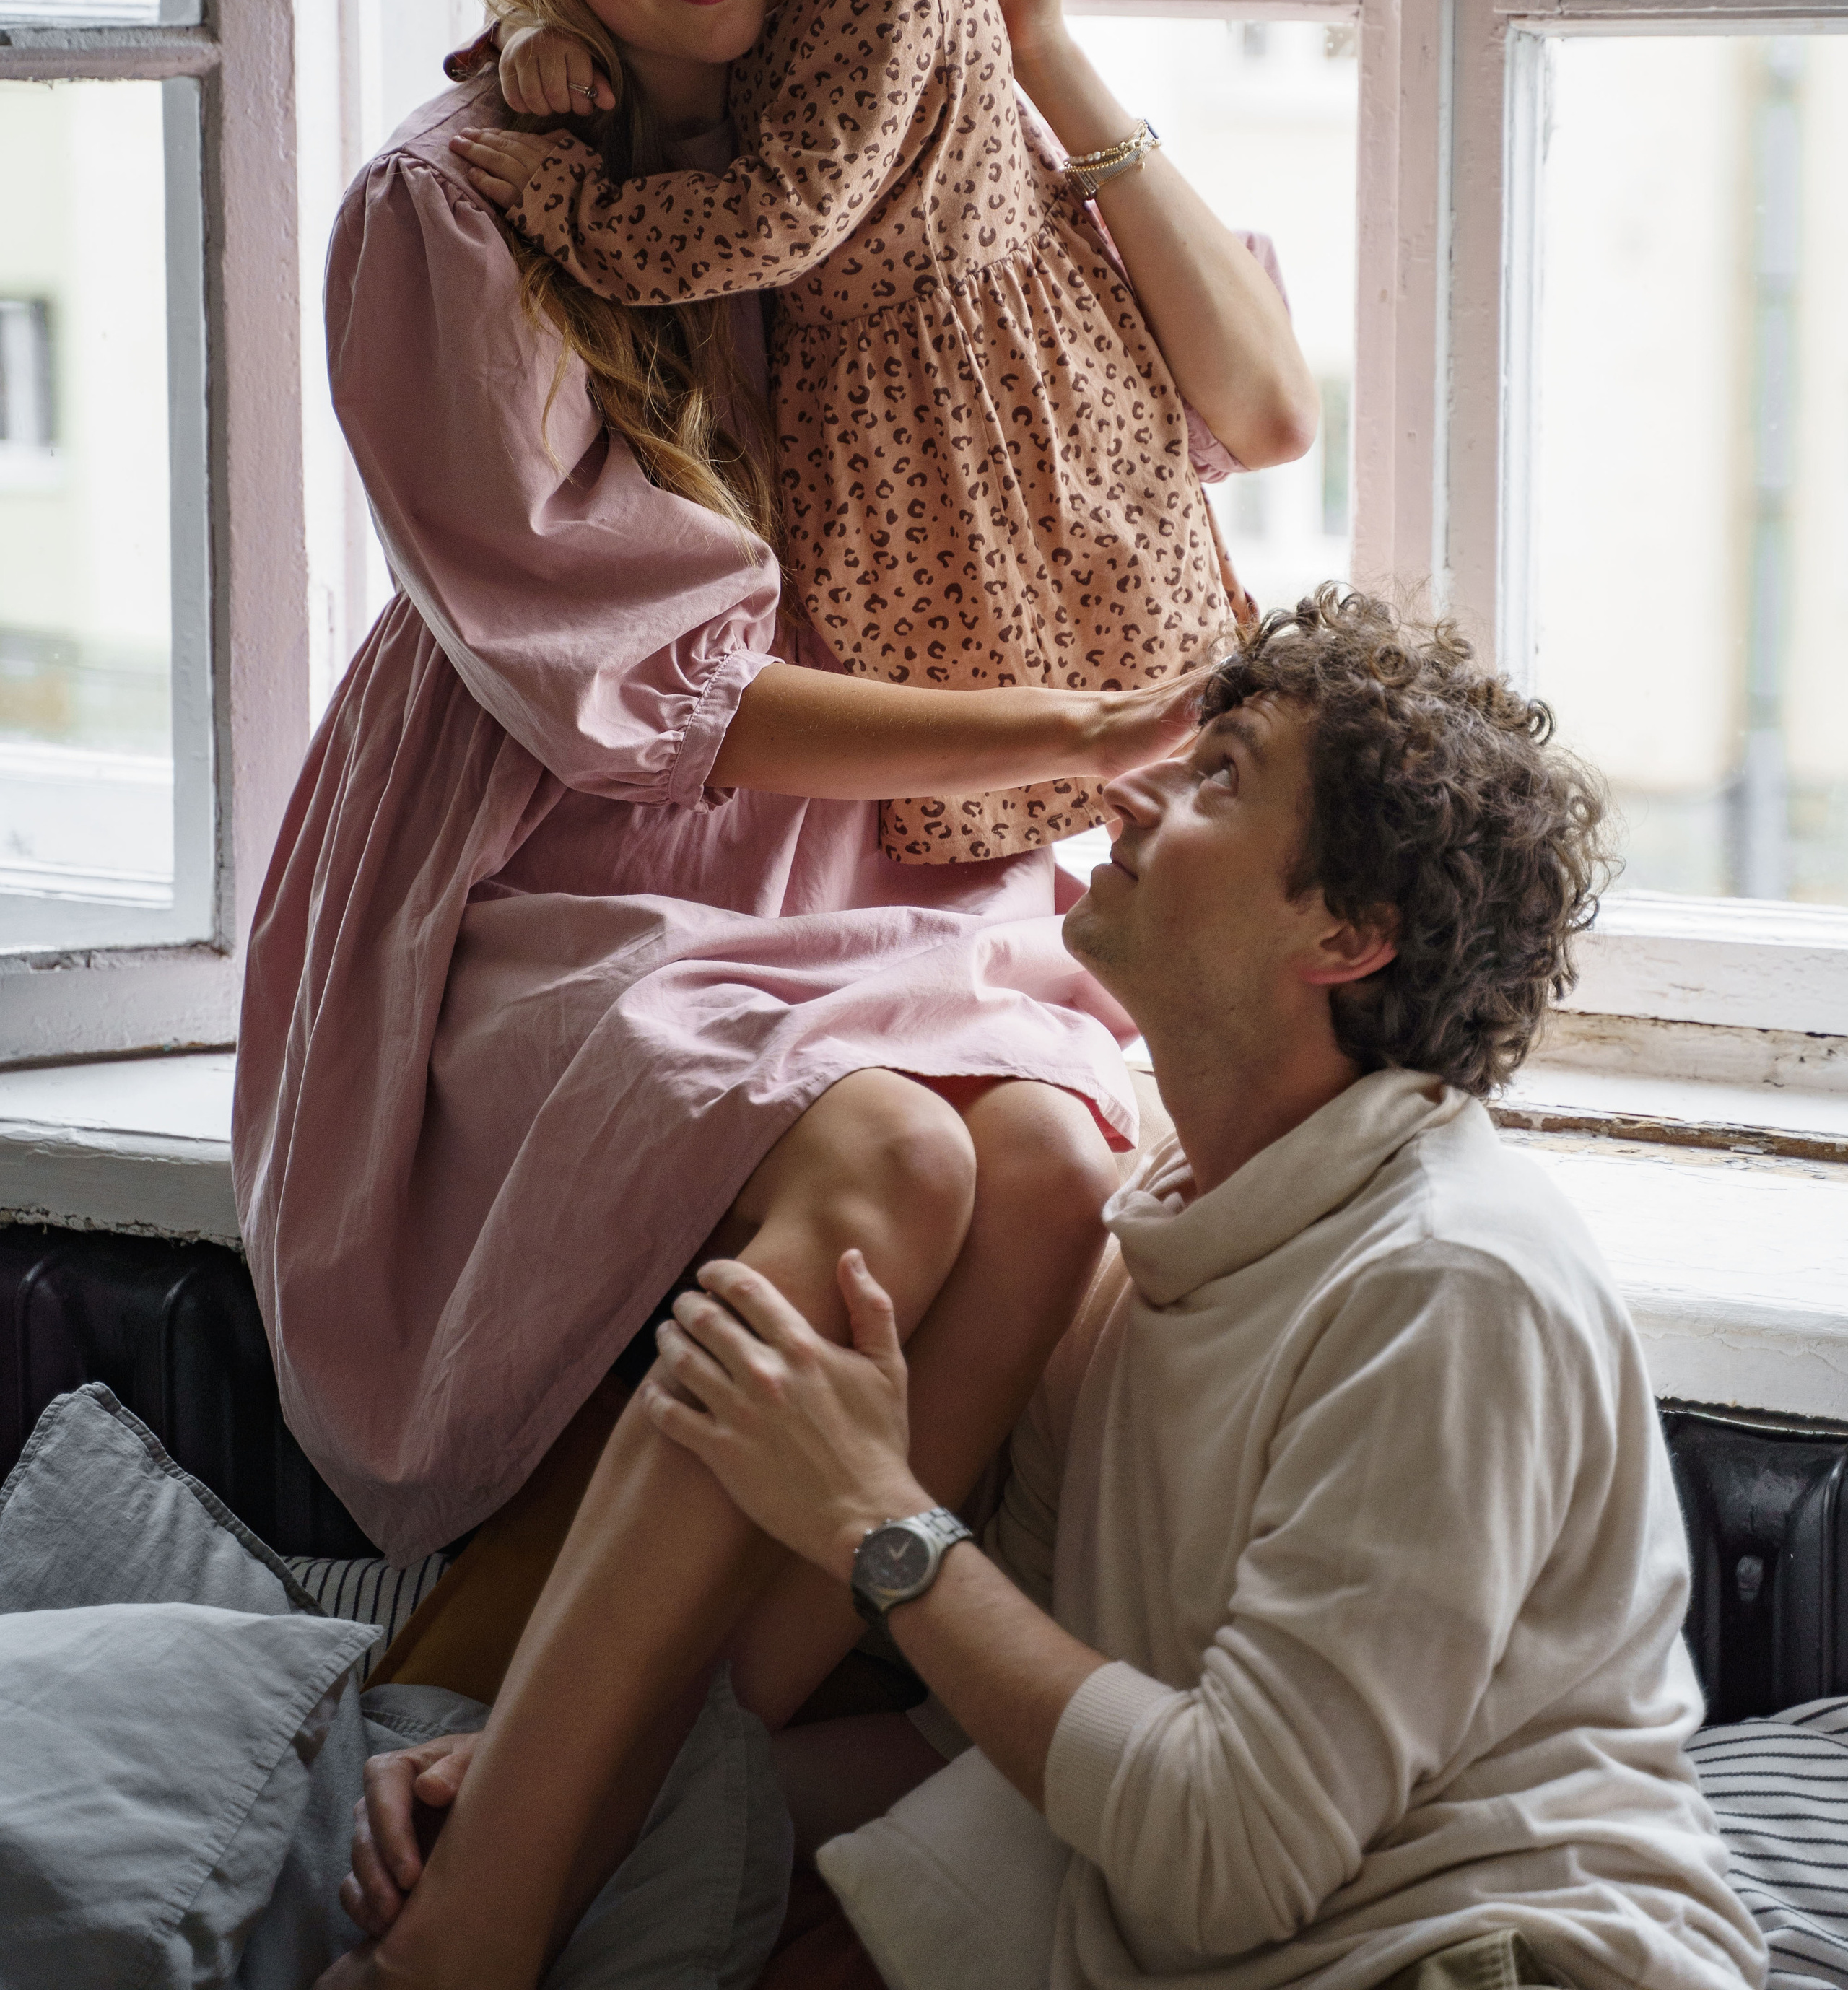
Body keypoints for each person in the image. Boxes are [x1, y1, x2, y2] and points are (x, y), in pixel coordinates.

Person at [232, 0, 1311, 1990]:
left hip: (865, 857)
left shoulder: (875, 77)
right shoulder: (449, 208)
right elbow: (658, 700)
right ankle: (486, 1919)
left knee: (1050, 1171)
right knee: (897, 1153)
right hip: (551, 858)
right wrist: (1073, 732)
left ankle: (583, 1810)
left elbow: (1254, 407)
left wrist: (1035, 27)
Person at [551, 588, 1763, 1990]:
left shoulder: (1446, 1286)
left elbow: (1225, 1860)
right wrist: (569, 1814)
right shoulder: (1158, 1250)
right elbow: (1001, 1729)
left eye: (1217, 779)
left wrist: (872, 1513)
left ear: (1346, 936)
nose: (1126, 796)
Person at [450, 0, 1314, 865]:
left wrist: (574, 207)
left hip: (970, 380)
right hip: (878, 424)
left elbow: (776, 217)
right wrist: (529, 33)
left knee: (1069, 670)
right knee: (986, 688)